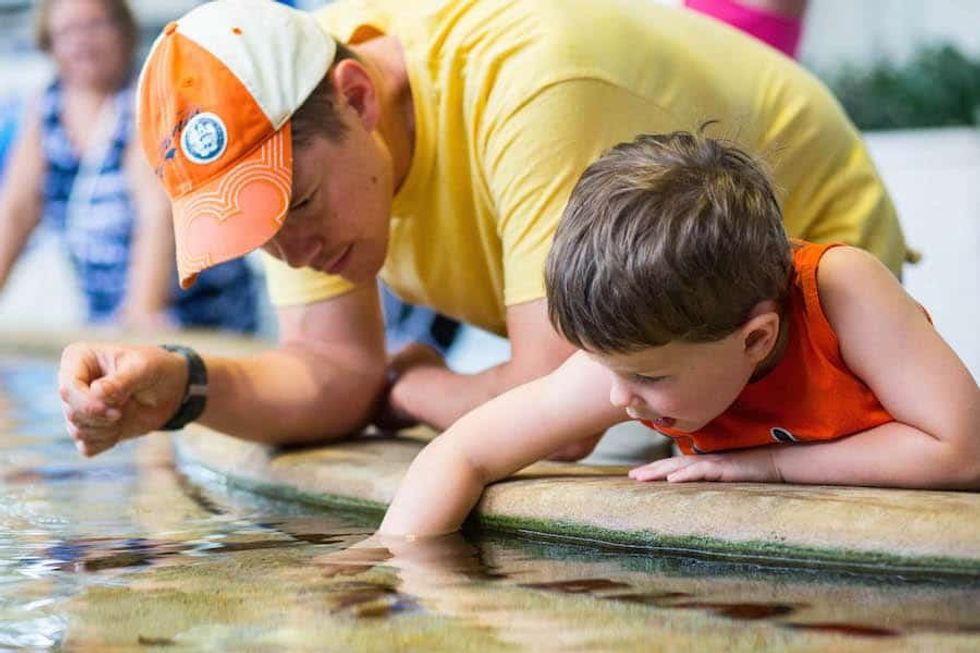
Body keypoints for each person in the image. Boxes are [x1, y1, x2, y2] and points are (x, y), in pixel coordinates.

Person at [59, 0, 912, 458]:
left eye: (297, 210)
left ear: (358, 98)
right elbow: (332, 369)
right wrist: (183, 388)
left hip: (810, 301)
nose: (294, 253)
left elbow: (561, 409)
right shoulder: (297, 129)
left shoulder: (528, 84)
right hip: (667, 352)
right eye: (257, 234)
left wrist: (415, 387)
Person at [377, 131, 980, 537]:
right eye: (604, 366)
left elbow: (962, 450)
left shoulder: (842, 293)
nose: (617, 398)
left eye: (644, 377)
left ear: (756, 339)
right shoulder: (641, 346)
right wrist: (387, 571)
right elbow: (463, 452)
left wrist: (766, 467)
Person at [0, 0, 257, 331]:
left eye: (96, 25)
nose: (83, 40)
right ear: (49, 42)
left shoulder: (150, 96)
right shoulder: (46, 107)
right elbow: (16, 212)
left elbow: (156, 216)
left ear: (124, 31)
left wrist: (140, 317)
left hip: (195, 312)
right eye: (68, 31)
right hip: (107, 312)